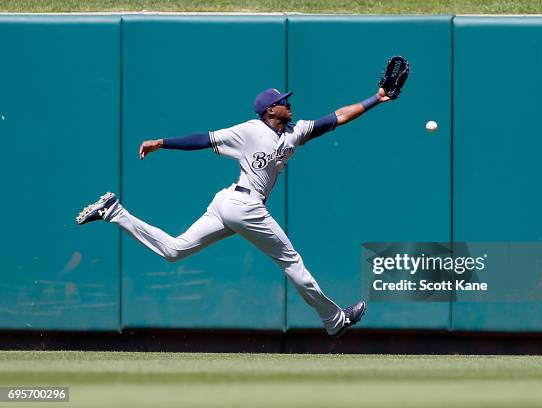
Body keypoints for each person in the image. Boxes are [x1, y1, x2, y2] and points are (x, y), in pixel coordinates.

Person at [76, 87, 392, 337]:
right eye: (282, 101)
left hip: (229, 204)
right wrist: (162, 142)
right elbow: (204, 139)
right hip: (244, 205)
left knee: (173, 251)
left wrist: (376, 98)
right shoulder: (250, 130)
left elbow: (336, 117)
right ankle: (334, 319)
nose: (288, 104)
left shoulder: (296, 131)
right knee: (291, 261)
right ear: (270, 110)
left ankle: (114, 212)